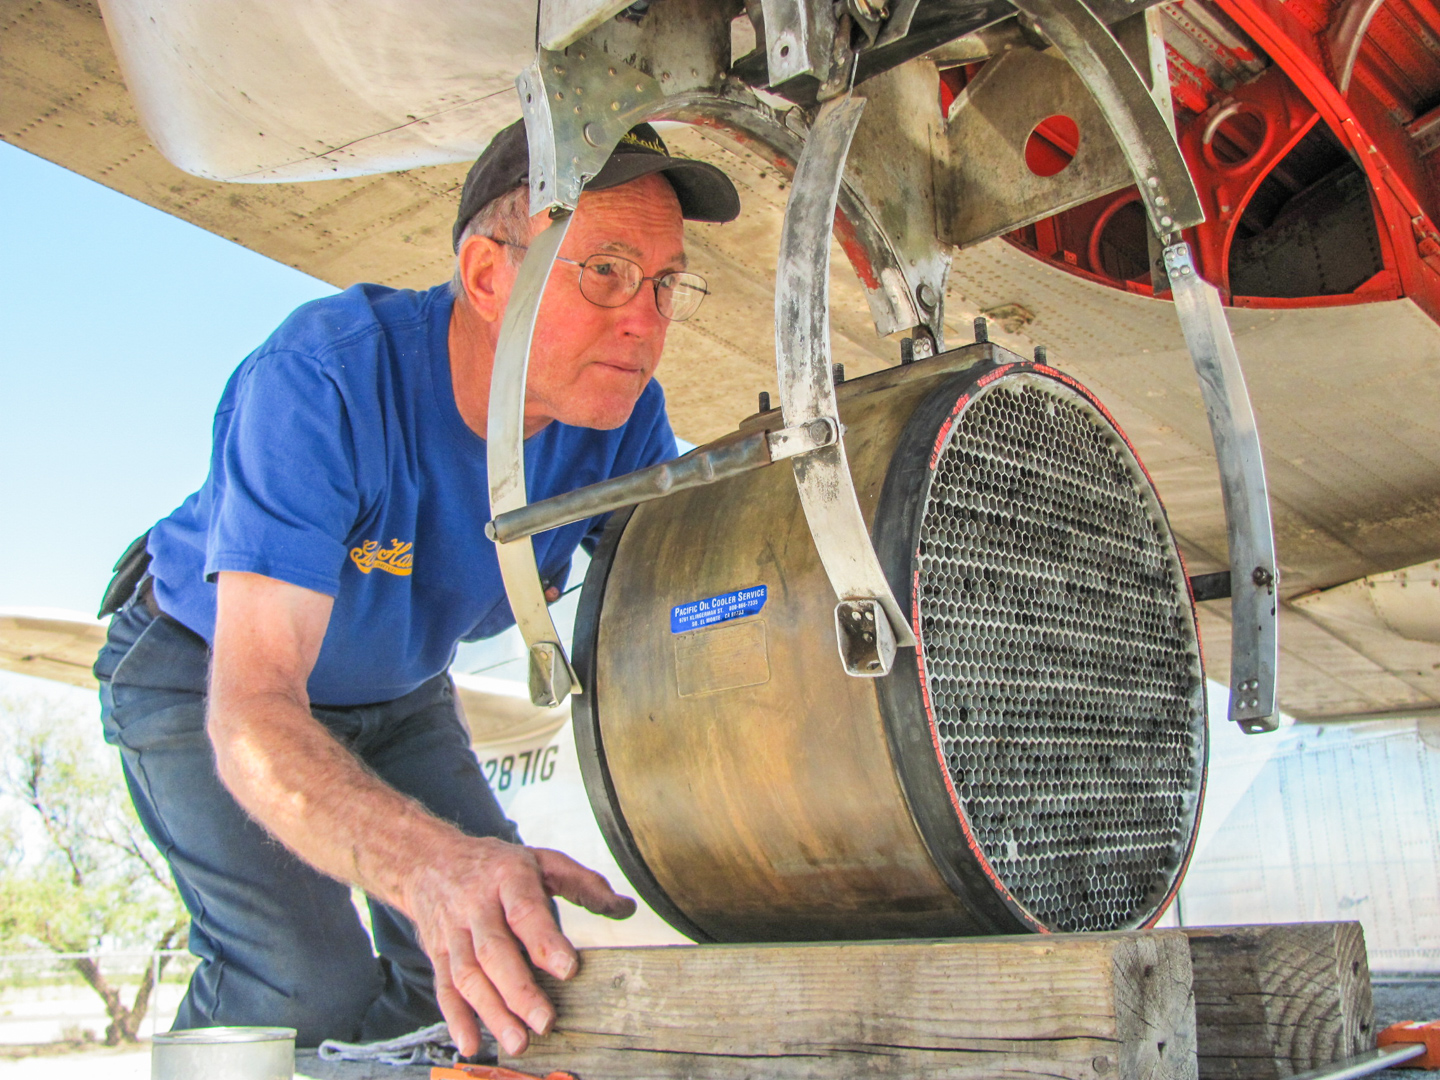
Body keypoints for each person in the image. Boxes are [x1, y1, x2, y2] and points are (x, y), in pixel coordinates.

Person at [92, 120, 740, 1058]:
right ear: (488, 278)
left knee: (492, 969)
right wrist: (432, 867)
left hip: (399, 695)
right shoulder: (323, 383)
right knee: (300, 983)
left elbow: (688, 608)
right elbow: (252, 712)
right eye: (604, 270)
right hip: (207, 673)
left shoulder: (623, 421)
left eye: (665, 282)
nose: (646, 322)